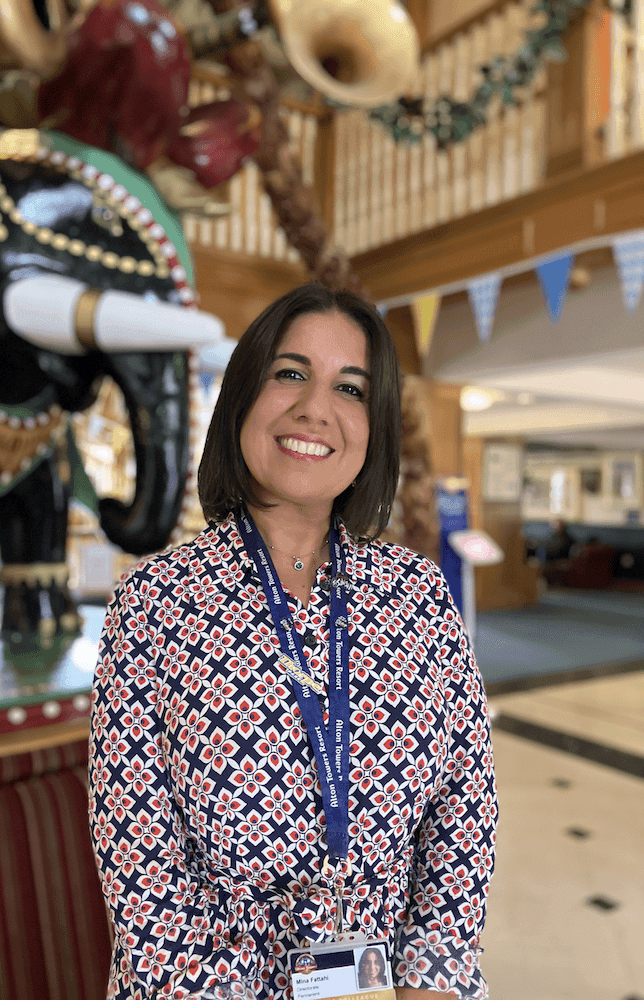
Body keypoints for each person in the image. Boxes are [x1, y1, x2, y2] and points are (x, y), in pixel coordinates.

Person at [90, 282, 497, 1000]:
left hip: (390, 980)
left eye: (351, 387)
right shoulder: (154, 601)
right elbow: (138, 854)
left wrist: (432, 975)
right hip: (207, 983)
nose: (315, 406)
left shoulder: (419, 594)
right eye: (290, 373)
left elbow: (467, 802)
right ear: (243, 397)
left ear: (373, 429)